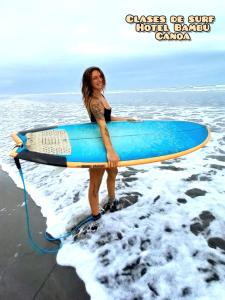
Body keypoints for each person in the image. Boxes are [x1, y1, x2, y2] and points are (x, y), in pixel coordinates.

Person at [76, 66, 135, 237]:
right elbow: (101, 125)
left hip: (107, 137)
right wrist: (110, 151)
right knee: (95, 183)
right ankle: (96, 219)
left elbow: (108, 119)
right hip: (98, 142)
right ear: (88, 81)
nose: (99, 80)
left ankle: (111, 201)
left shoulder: (101, 95)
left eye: (100, 76)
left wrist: (126, 120)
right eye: (95, 78)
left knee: (113, 172)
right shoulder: (93, 100)